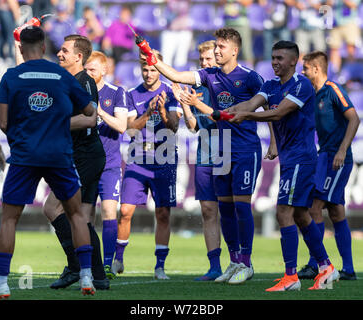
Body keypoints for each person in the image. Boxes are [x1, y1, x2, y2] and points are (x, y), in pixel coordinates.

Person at [143, 27, 276, 285]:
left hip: (246, 147)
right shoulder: (208, 75)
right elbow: (176, 74)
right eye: (215, 46)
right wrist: (153, 59)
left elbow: (268, 105)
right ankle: (234, 261)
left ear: (234, 50)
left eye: (221, 47)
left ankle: (246, 263)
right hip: (221, 147)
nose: (216, 50)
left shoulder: (250, 77)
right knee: (224, 207)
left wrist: (273, 141)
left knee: (240, 205)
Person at [0, 26, 96, 299]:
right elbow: (88, 110)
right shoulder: (62, 75)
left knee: (8, 220)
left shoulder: (12, 76)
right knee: (76, 214)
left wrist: (21, 138)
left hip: (25, 155)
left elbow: (3, 123)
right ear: (44, 48)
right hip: (59, 154)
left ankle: (1, 283)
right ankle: (86, 277)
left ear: (22, 49)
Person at [227, 40, 338, 291]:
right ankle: (326, 266)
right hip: (290, 159)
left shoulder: (302, 85)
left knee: (283, 212)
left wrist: (247, 116)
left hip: (301, 158)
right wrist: (225, 112)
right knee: (300, 214)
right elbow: (251, 104)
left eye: (280, 58)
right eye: (273, 57)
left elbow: (278, 113)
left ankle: (290, 277)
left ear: (293, 61)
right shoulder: (270, 85)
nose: (275, 62)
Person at [42, 34, 108, 290]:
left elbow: (90, 120)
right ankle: (98, 275)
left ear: (79, 57)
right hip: (75, 156)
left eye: (65, 51)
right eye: (59, 50)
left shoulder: (85, 81)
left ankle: (74, 266)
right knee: (80, 218)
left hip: (87, 156)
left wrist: (53, 124)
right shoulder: (65, 82)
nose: (59, 54)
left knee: (53, 209)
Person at [113, 51, 182, 280]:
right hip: (138, 159)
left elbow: (173, 127)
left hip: (164, 159)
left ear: (160, 69)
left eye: (154, 69)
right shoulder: (131, 94)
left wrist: (162, 111)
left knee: (162, 213)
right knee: (125, 211)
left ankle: (160, 267)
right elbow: (131, 129)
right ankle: (119, 258)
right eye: (145, 69)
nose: (149, 73)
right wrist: (150, 111)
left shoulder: (172, 92)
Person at [299, 51, 360, 280]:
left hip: (337, 157)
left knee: (314, 208)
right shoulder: (313, 95)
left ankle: (317, 264)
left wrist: (343, 149)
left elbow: (354, 118)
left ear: (316, 69)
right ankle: (349, 269)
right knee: (335, 211)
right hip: (323, 156)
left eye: (305, 68)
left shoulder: (333, 89)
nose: (302, 72)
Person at [171, 40, 222, 281]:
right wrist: (185, 104)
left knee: (231, 209)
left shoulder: (225, 86)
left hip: (229, 149)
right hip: (205, 153)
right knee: (208, 209)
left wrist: (194, 103)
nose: (205, 64)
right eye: (202, 60)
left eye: (209, 59)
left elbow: (222, 119)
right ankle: (215, 267)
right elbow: (193, 127)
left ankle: (240, 261)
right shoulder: (198, 88)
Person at [84, 51, 128, 279]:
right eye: (86, 69)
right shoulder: (79, 92)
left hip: (110, 165)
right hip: (86, 164)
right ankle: (88, 266)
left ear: (104, 70)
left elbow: (122, 126)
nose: (88, 74)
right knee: (86, 216)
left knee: (110, 212)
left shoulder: (116, 93)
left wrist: (99, 111)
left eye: (92, 70)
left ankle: (108, 264)